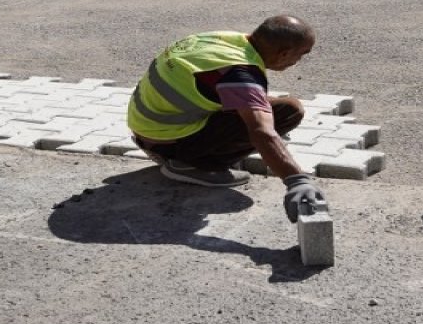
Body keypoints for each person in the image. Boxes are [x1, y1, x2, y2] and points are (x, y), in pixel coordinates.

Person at [127, 15, 325, 223]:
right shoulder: (240, 73)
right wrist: (296, 180)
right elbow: (261, 131)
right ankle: (192, 166)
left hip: (147, 127)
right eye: (301, 55)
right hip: (167, 143)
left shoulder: (222, 40)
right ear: (284, 53)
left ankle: (184, 151)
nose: (297, 62)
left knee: (263, 107)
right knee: (288, 111)